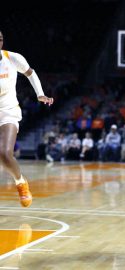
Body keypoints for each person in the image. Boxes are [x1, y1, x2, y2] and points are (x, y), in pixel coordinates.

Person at [0, 30, 54, 207]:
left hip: (8, 111)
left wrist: (40, 94)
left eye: (0, 39)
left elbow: (30, 73)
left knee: (5, 154)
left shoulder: (12, 58)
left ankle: (20, 183)